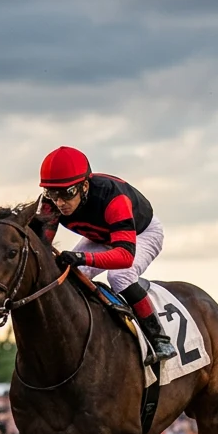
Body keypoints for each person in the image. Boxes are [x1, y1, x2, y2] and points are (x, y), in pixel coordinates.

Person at [34, 146, 177, 363]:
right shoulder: (51, 202)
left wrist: (82, 258)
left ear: (84, 186)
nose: (60, 202)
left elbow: (124, 256)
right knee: (68, 275)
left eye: (67, 193)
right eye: (52, 194)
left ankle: (159, 338)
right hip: (102, 237)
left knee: (119, 277)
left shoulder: (113, 198)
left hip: (141, 234)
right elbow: (43, 245)